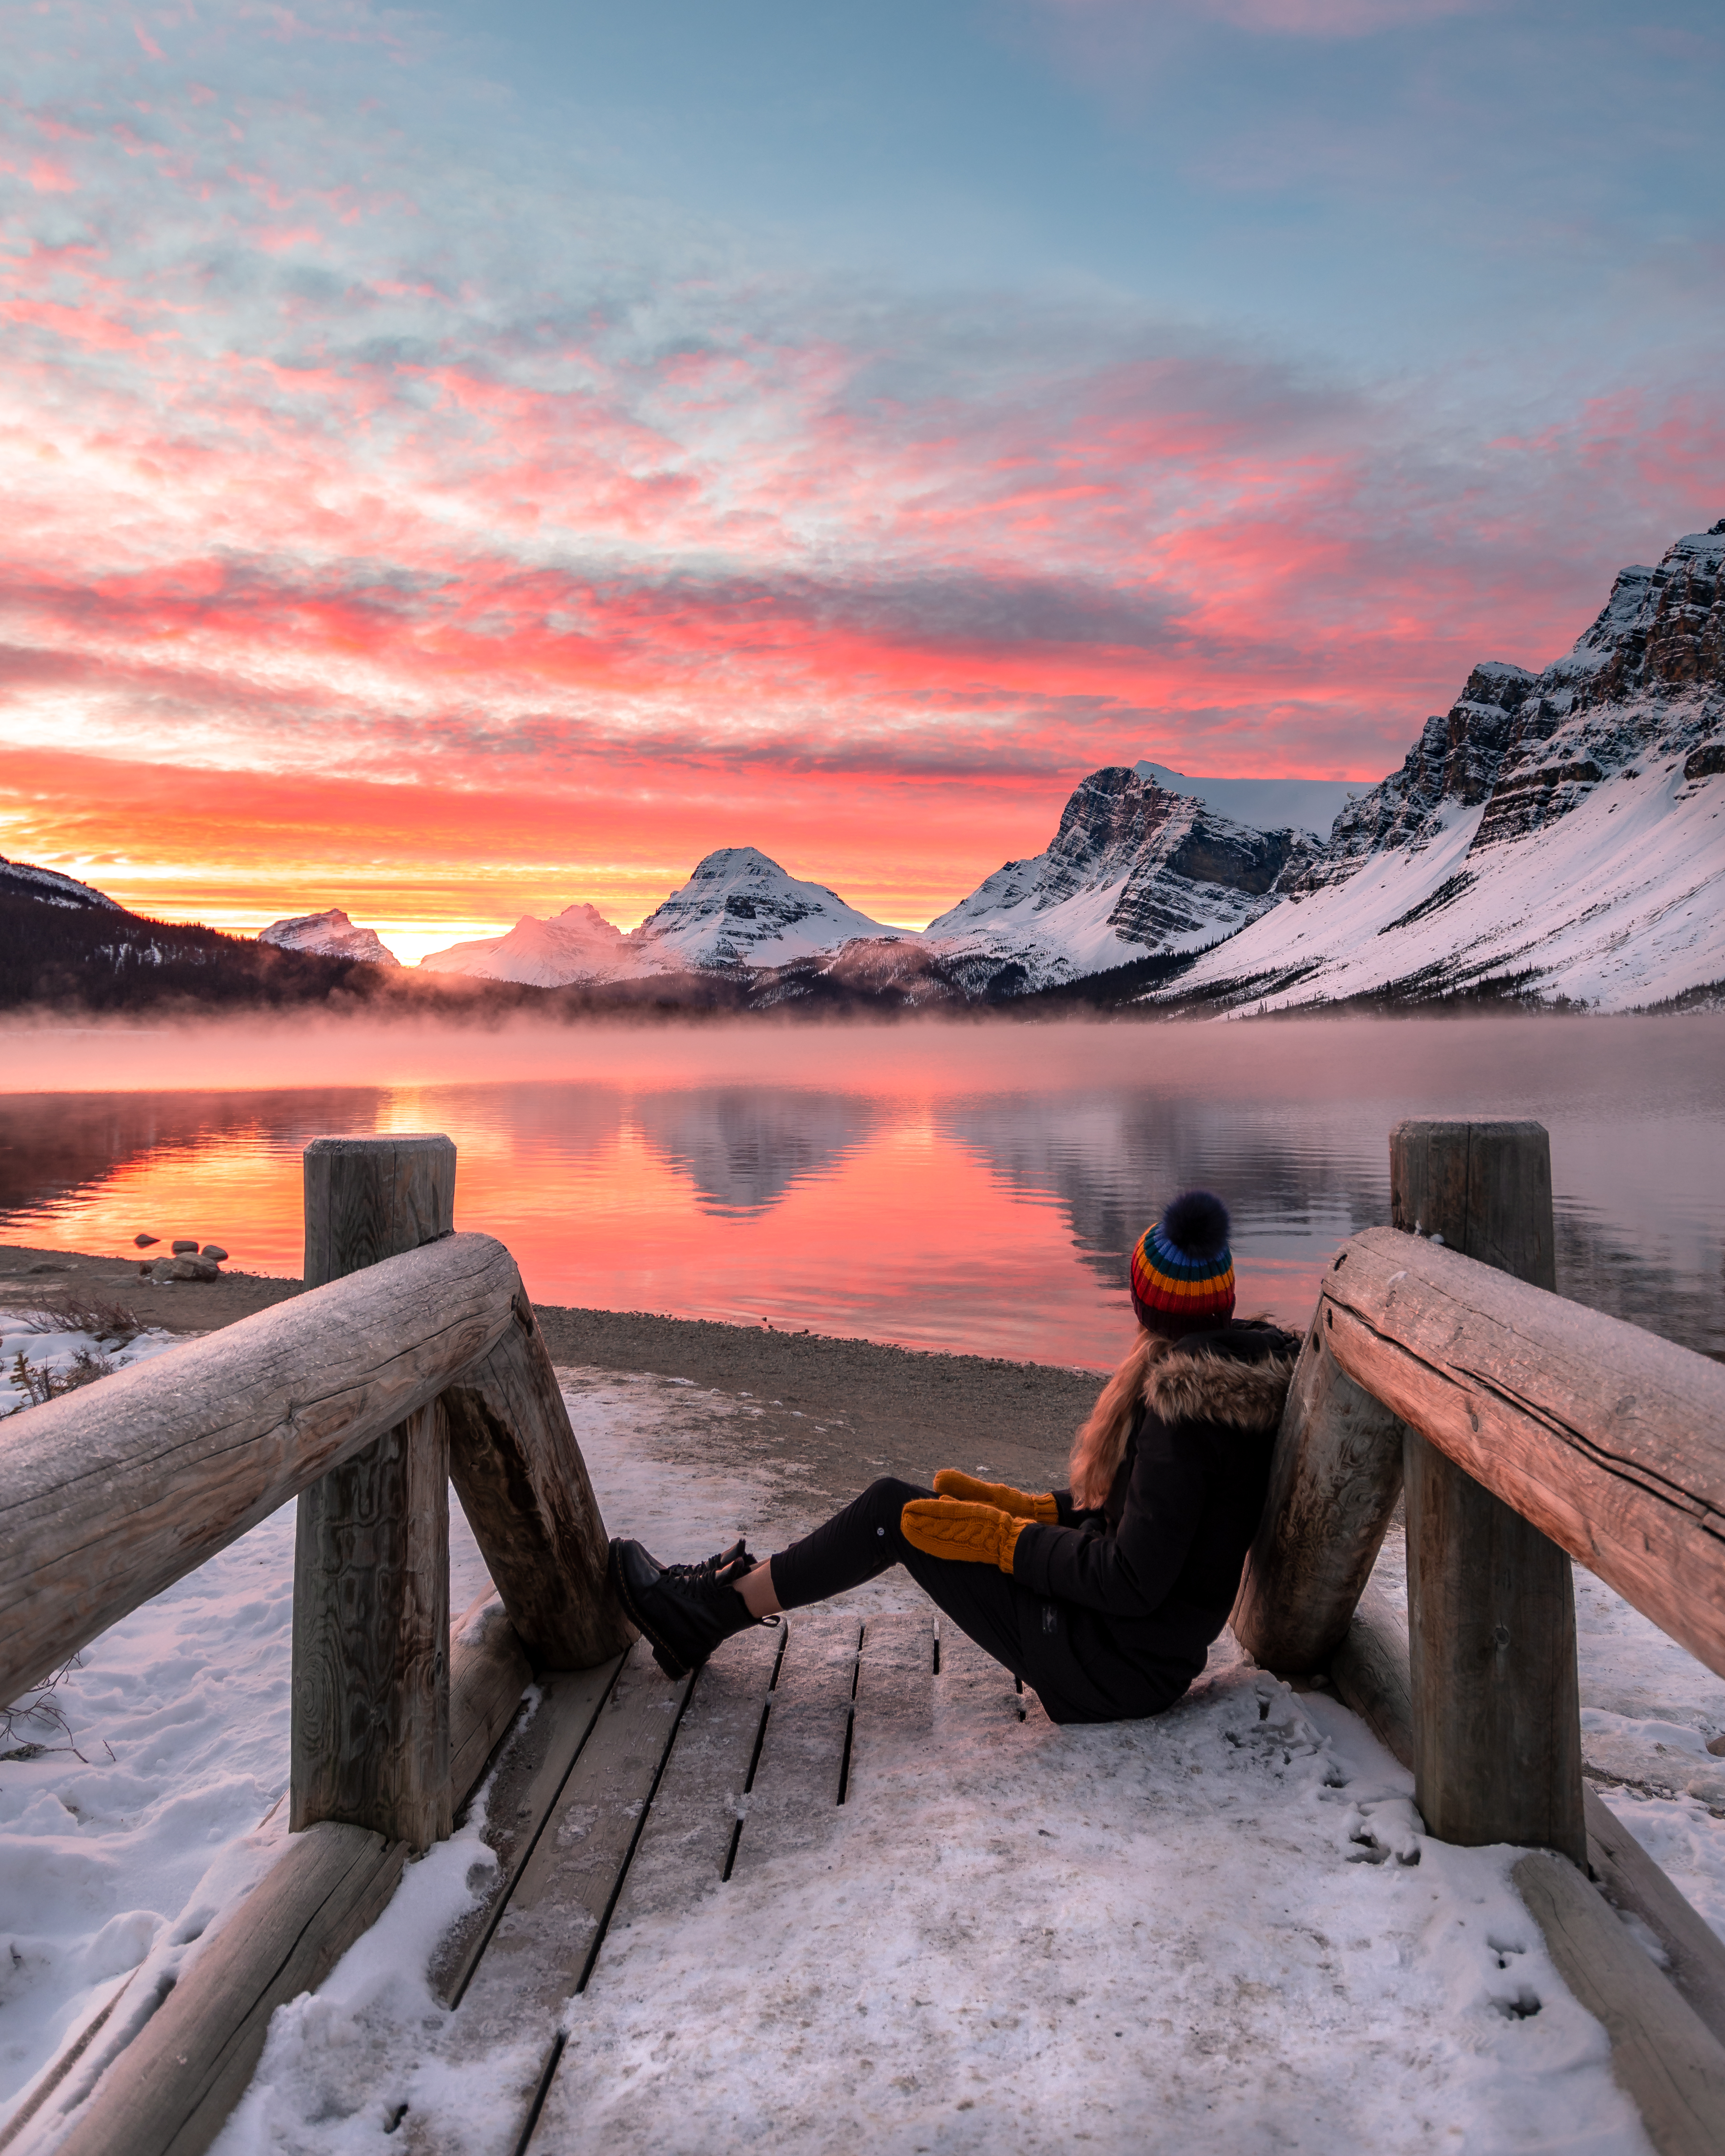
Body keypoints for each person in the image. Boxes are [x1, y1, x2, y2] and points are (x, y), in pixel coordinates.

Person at [607, 1192, 1299, 1725]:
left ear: (1145, 1304)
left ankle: (702, 1615)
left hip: (1108, 1665)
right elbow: (1146, 1520)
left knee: (890, 1512)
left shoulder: (1185, 1414)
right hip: (1128, 1649)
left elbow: (1130, 1580)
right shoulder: (1221, 1384)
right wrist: (1031, 1508)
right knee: (903, 1507)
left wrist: (1008, 1540)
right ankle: (715, 1606)